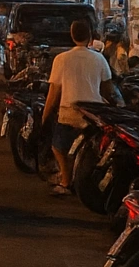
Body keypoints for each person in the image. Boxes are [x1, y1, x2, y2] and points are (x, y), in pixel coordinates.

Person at [42, 20, 123, 196]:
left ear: (72, 35)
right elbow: (108, 89)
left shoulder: (61, 59)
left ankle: (65, 180)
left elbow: (53, 92)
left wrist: (45, 115)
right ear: (89, 36)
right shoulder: (99, 59)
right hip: (94, 114)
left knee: (58, 146)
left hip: (69, 112)